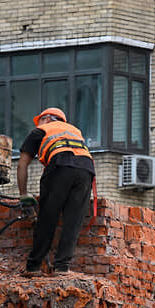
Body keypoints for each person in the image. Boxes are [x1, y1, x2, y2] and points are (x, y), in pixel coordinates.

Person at [16, 107, 95, 276]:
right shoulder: (75, 130)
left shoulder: (41, 130)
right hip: (86, 170)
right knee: (73, 221)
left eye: (40, 120)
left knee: (47, 217)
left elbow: (22, 164)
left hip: (60, 166)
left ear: (47, 118)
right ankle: (62, 267)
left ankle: (34, 267)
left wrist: (23, 194)